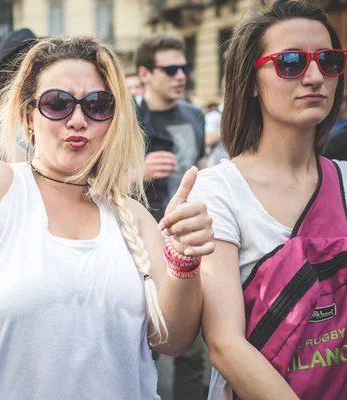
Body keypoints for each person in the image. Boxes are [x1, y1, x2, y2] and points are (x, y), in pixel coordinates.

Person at [0, 35, 215, 399]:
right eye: (57, 104)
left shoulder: (133, 219)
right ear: (29, 115)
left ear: (113, 118)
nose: (77, 120)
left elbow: (172, 340)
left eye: (97, 105)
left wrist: (184, 259)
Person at [187, 1, 347, 399]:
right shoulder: (218, 190)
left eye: (328, 60)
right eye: (291, 62)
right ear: (250, 81)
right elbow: (225, 346)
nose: (315, 76)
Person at [135, 33, 208, 400]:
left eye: (185, 67)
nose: (181, 75)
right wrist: (137, 171)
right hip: (137, 245)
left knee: (192, 349)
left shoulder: (195, 115)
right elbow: (96, 178)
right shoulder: (126, 118)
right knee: (139, 345)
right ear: (145, 73)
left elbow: (201, 170)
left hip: (186, 243)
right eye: (171, 68)